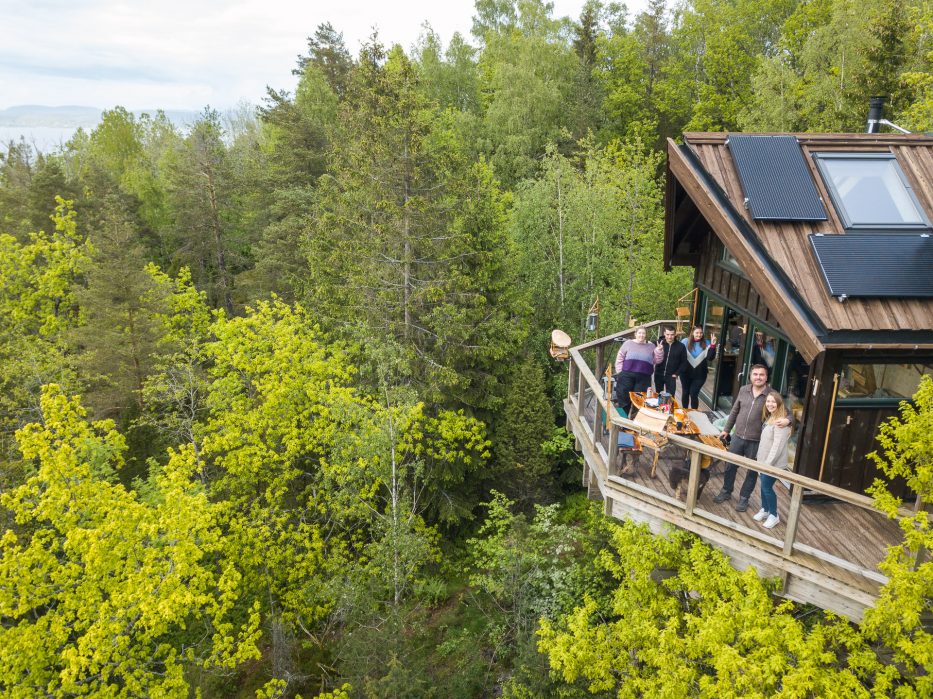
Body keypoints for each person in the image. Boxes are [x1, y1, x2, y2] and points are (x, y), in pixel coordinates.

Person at [712, 364, 790, 512]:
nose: (758, 377)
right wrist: (726, 430)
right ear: (750, 376)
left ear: (766, 377)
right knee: (730, 466)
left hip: (757, 441)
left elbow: (788, 413)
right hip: (738, 436)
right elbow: (734, 411)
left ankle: (744, 498)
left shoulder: (771, 394)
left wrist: (788, 420)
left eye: (761, 375)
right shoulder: (743, 390)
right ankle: (726, 491)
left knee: (752, 471)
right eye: (755, 374)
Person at [753, 390, 792, 529]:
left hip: (772, 464)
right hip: (763, 461)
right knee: (763, 486)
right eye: (768, 401)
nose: (770, 404)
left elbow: (777, 446)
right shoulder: (771, 416)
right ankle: (765, 509)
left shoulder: (780, 422)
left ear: (779, 404)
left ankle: (774, 515)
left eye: (773, 402)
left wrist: (767, 465)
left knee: (767, 487)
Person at [613, 326, 663, 415]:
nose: (641, 335)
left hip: (644, 378)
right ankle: (625, 416)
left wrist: (659, 350)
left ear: (646, 335)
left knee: (640, 398)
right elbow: (620, 357)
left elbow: (657, 360)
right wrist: (620, 372)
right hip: (627, 375)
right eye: (639, 333)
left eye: (643, 333)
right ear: (635, 334)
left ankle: (634, 417)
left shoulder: (651, 346)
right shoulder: (628, 343)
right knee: (623, 396)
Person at [681, 326, 717, 409]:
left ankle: (695, 414)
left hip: (700, 374)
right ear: (692, 333)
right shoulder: (685, 341)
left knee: (693, 394)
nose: (699, 334)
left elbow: (710, 358)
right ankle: (685, 411)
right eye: (697, 332)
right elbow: (678, 356)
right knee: (685, 392)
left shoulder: (707, 343)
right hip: (685, 373)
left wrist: (713, 345)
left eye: (701, 333)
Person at [653, 326, 688, 397]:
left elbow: (684, 362)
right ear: (664, 334)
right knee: (658, 394)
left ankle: (669, 408)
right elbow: (647, 347)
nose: (669, 337)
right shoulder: (659, 343)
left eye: (672, 334)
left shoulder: (681, 346)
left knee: (671, 397)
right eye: (668, 334)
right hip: (659, 373)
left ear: (675, 334)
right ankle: (659, 408)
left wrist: (677, 373)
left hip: (671, 375)